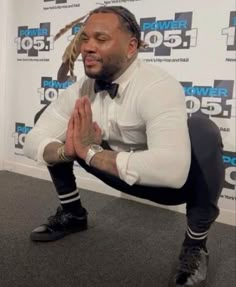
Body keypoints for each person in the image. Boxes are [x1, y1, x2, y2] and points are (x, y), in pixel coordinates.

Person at [23, 6, 225, 287]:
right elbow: (33, 140)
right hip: (108, 168)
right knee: (49, 123)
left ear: (131, 47)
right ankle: (73, 213)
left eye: (101, 39)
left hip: (164, 185)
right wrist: (66, 151)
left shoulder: (158, 86)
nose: (87, 48)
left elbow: (172, 172)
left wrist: (90, 152)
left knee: (203, 131)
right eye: (85, 39)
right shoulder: (81, 88)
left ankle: (195, 246)